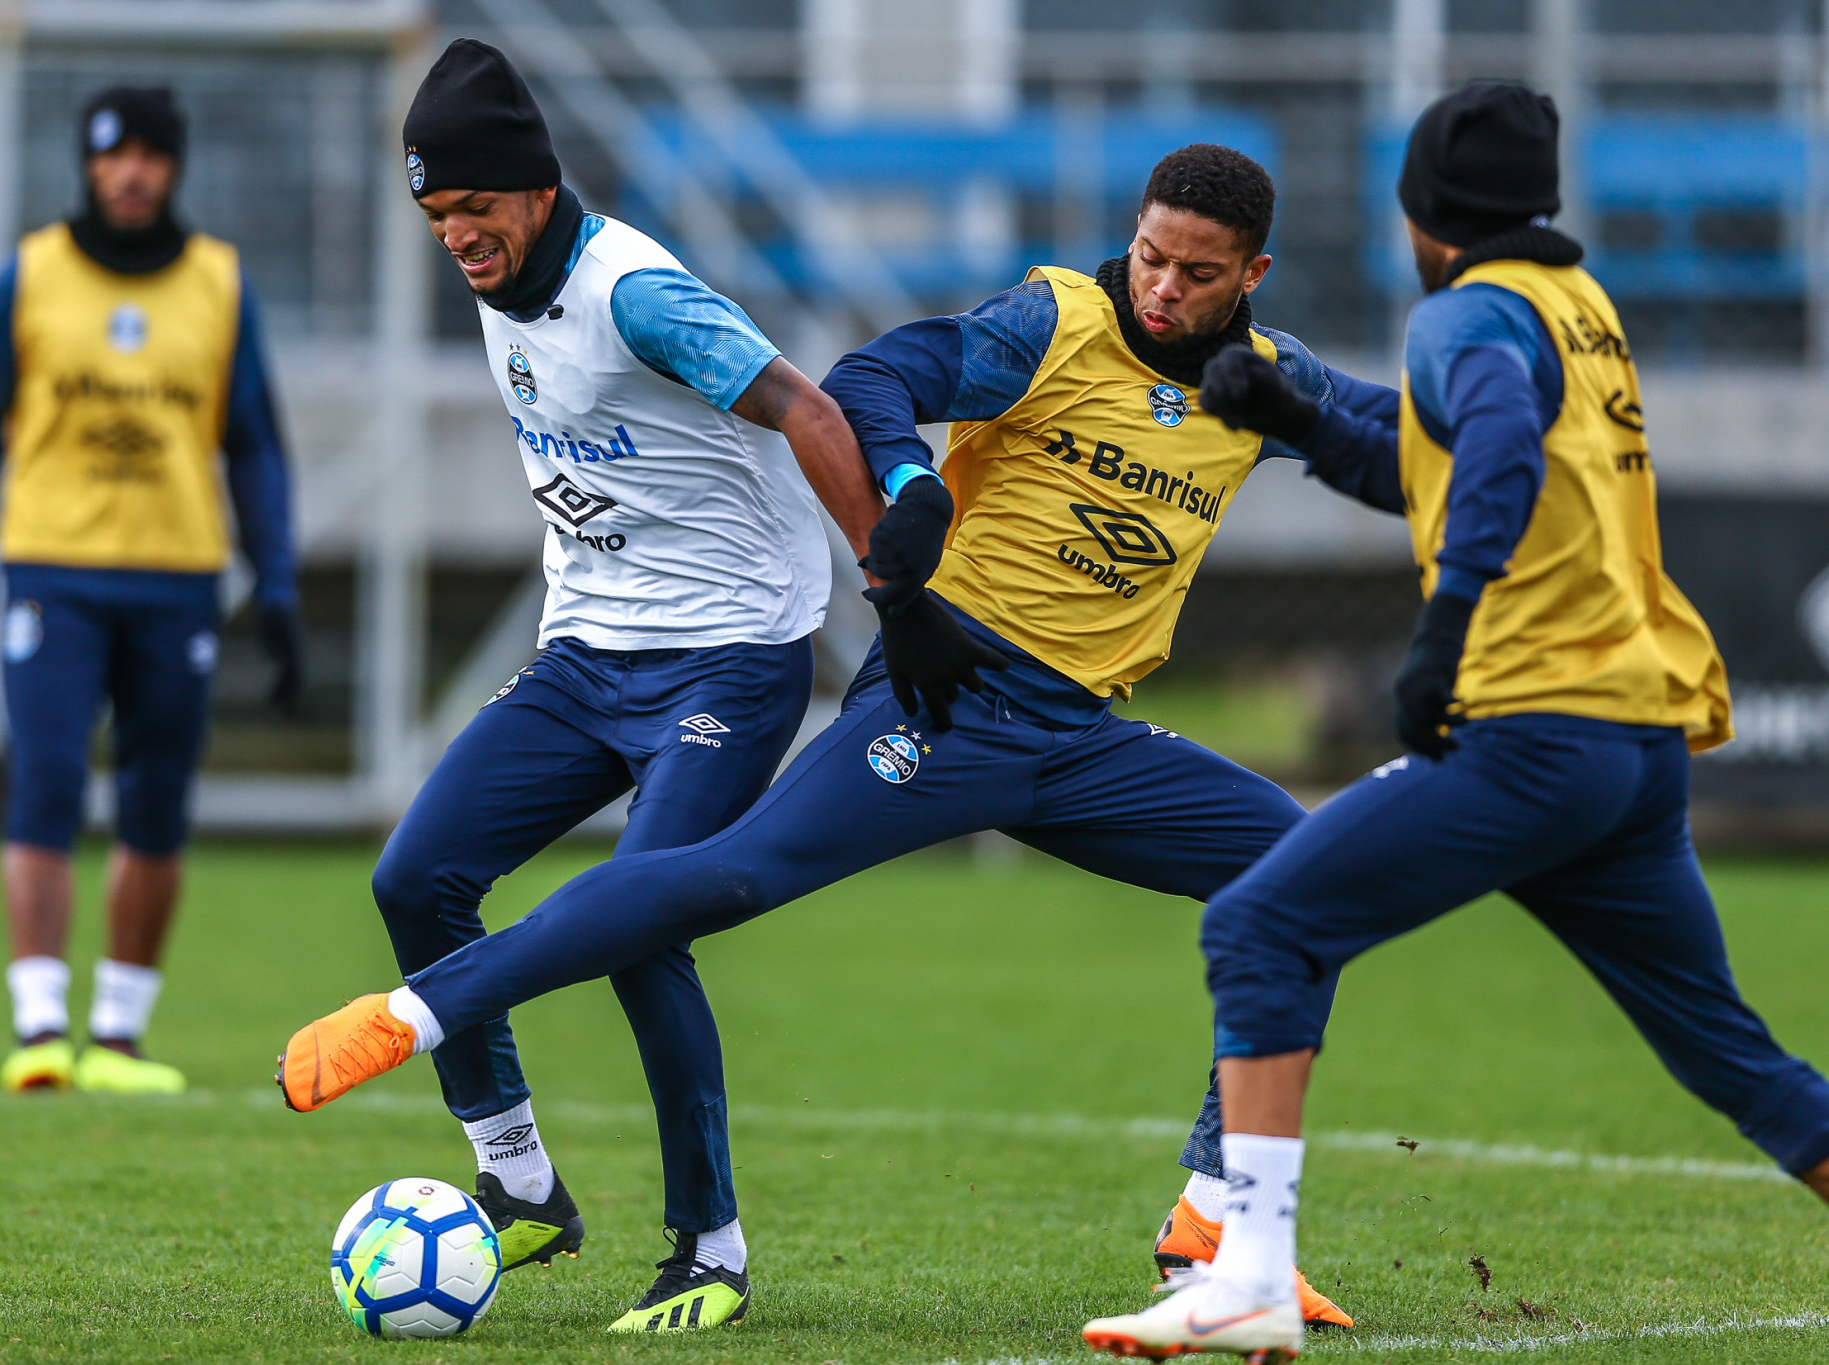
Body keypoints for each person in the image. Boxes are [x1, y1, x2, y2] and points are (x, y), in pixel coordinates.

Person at [279, 142, 1402, 1331]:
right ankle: (412, 1015)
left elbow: (1400, 442)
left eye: (1194, 272)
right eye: (1148, 256)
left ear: (1251, 273)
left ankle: (1211, 1225)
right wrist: (910, 497)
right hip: (947, 700)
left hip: (1081, 738)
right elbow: (868, 378)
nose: (1161, 289)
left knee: (1309, 879)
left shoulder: (1264, 382)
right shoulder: (1053, 326)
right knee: (725, 878)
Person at [1082, 82, 1829, 1364]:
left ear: (1417, 205)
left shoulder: (1461, 312)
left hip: (1533, 730)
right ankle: (1242, 1271)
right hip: (1631, 745)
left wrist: (1438, 638)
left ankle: (1242, 1271)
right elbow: (1443, 464)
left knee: (1260, 922)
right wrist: (1303, 425)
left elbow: (1488, 456)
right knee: (1734, 1062)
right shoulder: (1574, 309)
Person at [295, 40, 882, 1332]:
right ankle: (519, 1185)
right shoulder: (497, 275)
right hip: (588, 653)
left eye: (475, 209)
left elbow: (809, 408)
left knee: (634, 916)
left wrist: (889, 587)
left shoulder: (639, 297)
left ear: (539, 188)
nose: (456, 237)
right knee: (414, 877)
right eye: (436, 216)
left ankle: (710, 1245)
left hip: (729, 654)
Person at [0, 87, 302, 1097]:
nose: (130, 173)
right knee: (43, 781)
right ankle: (40, 1023)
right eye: (111, 155)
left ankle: (120, 1035)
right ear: (86, 165)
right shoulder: (33, 274)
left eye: (149, 156)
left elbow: (254, 440)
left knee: (155, 802)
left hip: (177, 575)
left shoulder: (218, 283)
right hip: (52, 567)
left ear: (175, 167)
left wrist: (280, 582)